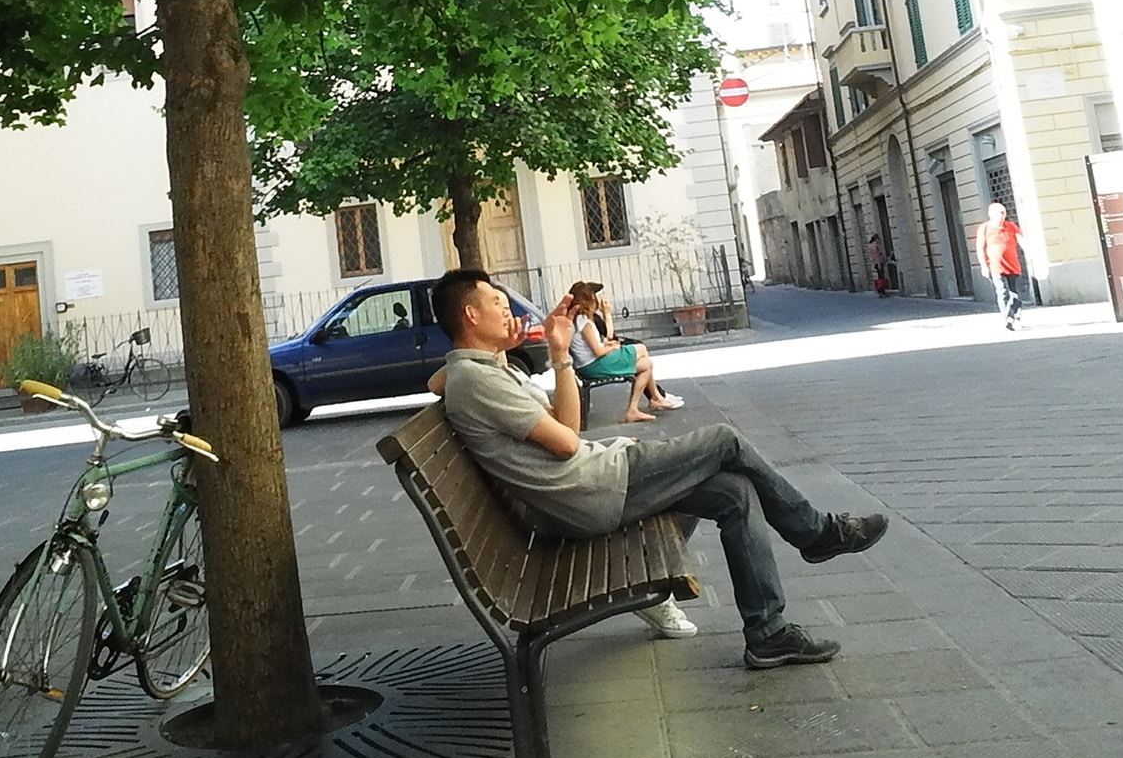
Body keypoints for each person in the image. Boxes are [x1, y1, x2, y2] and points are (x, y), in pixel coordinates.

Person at [431, 269, 889, 668]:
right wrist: (557, 356)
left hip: (593, 481)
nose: (509, 310)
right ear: (470, 315)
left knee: (735, 493)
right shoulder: (477, 379)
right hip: (590, 491)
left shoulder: (482, 371)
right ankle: (818, 533)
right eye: (497, 303)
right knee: (724, 440)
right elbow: (568, 440)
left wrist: (544, 350)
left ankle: (768, 634)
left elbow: (448, 381)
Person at [568, 280, 682, 423]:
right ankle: (655, 398)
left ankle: (639, 407)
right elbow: (597, 351)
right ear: (590, 298)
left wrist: (606, 343)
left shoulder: (581, 319)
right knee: (641, 349)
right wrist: (612, 347)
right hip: (594, 365)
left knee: (646, 364)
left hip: (591, 363)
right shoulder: (584, 322)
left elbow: (591, 344)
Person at [974, 201, 1025, 330]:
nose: (1001, 216)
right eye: (999, 213)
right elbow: (980, 248)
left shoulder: (1011, 226)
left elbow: (1021, 240)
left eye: (1003, 213)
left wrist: (1030, 253)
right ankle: (1008, 318)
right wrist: (984, 266)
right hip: (996, 267)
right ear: (991, 214)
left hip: (1012, 265)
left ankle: (1016, 317)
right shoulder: (985, 228)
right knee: (1002, 292)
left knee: (1015, 294)